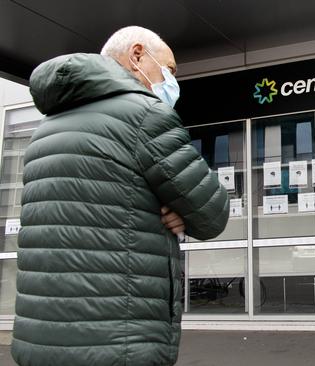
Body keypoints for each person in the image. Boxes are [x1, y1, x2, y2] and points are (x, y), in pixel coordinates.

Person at [11, 26, 230, 366]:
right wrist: (180, 209)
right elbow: (212, 212)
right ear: (137, 55)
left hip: (39, 340)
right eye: (169, 70)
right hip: (118, 341)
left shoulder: (45, 130)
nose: (172, 82)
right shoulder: (143, 115)